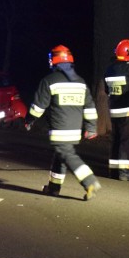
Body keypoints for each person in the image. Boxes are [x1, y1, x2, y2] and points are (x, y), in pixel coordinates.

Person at [25, 45, 102, 200]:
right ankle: (53, 188)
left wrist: (29, 120)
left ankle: (90, 182)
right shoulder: (80, 82)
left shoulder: (49, 81)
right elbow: (90, 107)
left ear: (53, 61)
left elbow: (38, 107)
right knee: (60, 156)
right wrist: (91, 127)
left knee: (67, 155)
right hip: (75, 130)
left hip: (60, 129)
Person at [103, 39, 129, 181]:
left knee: (116, 139)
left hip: (114, 110)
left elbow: (107, 90)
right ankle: (125, 171)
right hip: (128, 111)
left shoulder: (110, 69)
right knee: (127, 140)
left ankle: (113, 170)